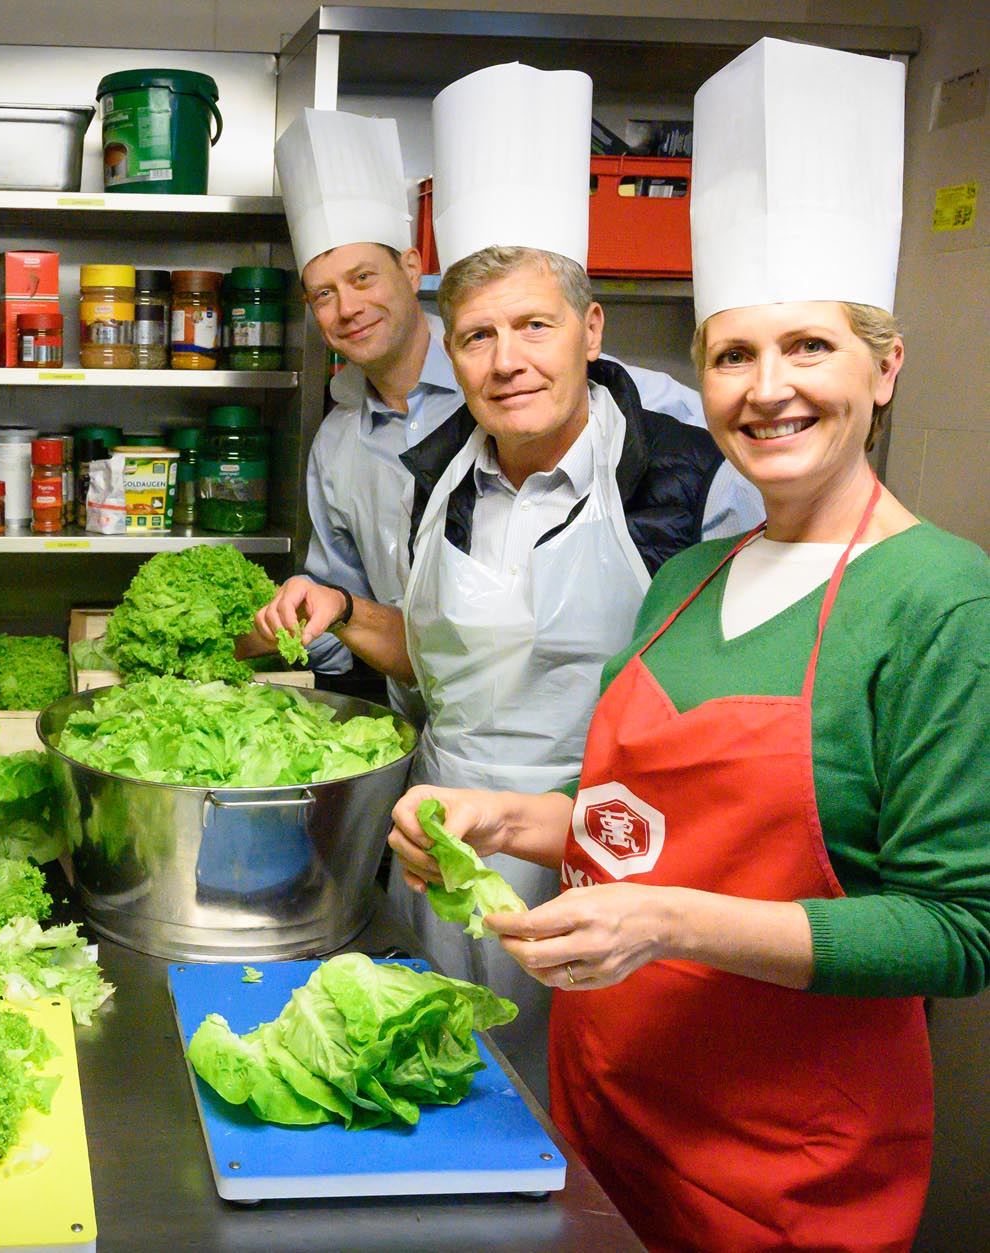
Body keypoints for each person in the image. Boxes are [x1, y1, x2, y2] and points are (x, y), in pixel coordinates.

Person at [389, 39, 990, 1251]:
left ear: (885, 367)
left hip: (780, 1156)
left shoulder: (939, 599)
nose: (766, 389)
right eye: (732, 353)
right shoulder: (691, 576)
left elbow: (952, 929)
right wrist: (511, 821)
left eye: (807, 347)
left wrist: (663, 922)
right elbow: (634, 822)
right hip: (610, 1106)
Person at [255, 80, 758, 1098]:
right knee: (455, 1084)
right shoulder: (431, 469)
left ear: (590, 328)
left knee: (599, 1106)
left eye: (533, 325)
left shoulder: (688, 468)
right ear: (452, 344)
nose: (505, 359)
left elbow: (737, 710)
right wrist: (343, 614)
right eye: (478, 334)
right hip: (444, 836)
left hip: (613, 850)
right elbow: (432, 656)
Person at [269, 108, 756, 721]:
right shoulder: (342, 446)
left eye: (534, 325)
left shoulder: (630, 405)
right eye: (323, 293)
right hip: (429, 736)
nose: (507, 363)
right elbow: (374, 628)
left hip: (598, 760)